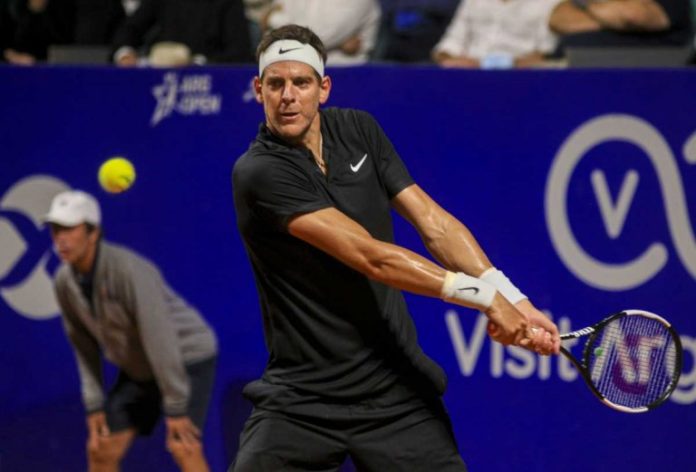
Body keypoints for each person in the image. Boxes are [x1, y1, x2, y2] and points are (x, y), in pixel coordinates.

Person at [230, 24, 560, 471]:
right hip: (301, 398)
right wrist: (485, 299)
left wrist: (512, 296)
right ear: (259, 90)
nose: (288, 96)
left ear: (323, 88)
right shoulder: (259, 171)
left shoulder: (359, 130)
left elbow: (434, 224)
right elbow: (372, 257)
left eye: (301, 82)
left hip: (394, 390)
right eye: (276, 84)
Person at [45, 190, 218, 472]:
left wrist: (175, 404)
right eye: (55, 229)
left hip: (185, 357)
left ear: (93, 233)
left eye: (69, 229)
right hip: (141, 366)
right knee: (101, 449)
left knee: (183, 446)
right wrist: (94, 403)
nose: (60, 238)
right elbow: (83, 346)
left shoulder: (129, 270)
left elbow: (159, 337)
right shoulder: (63, 282)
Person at [112, 0, 253, 66]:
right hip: (159, 73)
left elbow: (239, 52)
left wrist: (199, 63)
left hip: (206, 82)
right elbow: (130, 29)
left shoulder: (229, 3)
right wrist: (125, 53)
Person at [432, 0, 564, 69]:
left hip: (519, 79)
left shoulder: (550, 3)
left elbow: (543, 57)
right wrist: (448, 59)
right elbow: (449, 44)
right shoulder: (473, 1)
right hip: (469, 76)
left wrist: (485, 64)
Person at [262, 0, 381, 65]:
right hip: (292, 68)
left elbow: (318, 36)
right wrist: (338, 43)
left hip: (343, 73)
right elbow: (269, 36)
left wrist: (273, 21)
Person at [549, 0, 693, 50]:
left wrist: (587, 6)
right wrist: (612, 19)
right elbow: (557, 19)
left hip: (642, 77)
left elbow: (633, 16)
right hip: (572, 70)